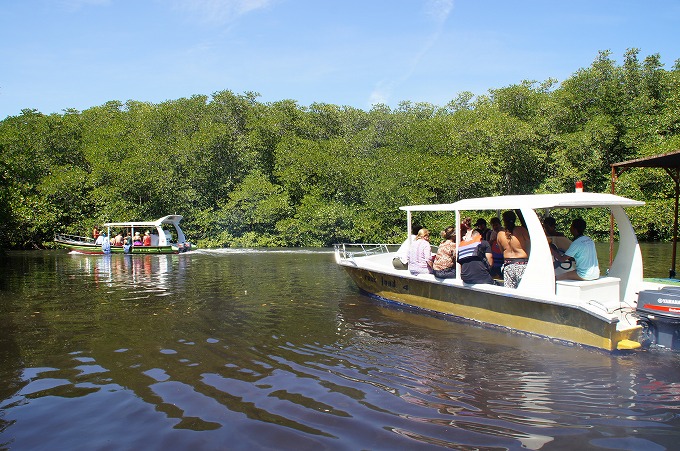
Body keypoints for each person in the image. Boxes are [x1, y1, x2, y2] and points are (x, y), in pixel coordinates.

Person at [497, 210, 531, 289]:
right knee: (524, 290)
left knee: (510, 292)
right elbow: (531, 242)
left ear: (503, 220)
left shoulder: (500, 234)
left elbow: (502, 251)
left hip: (508, 265)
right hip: (522, 264)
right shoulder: (521, 230)